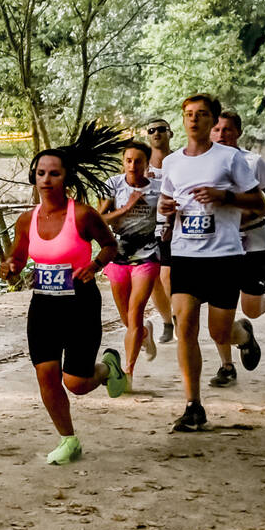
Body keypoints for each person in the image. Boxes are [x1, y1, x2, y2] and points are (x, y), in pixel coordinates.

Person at [0, 135, 128, 464]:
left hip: (80, 303)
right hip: (43, 304)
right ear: (34, 177)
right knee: (46, 373)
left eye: (54, 173)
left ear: (65, 177)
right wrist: (10, 267)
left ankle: (106, 368)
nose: (46, 179)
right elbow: (17, 257)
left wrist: (95, 265)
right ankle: (68, 439)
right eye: (41, 173)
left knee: (76, 383)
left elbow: (110, 246)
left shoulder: (82, 215)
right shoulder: (26, 220)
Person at [158, 94, 265, 431]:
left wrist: (224, 196)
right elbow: (166, 199)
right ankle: (193, 405)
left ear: (212, 120)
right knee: (185, 327)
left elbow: (259, 202)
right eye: (189, 114)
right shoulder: (172, 162)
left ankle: (242, 335)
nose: (194, 119)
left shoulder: (229, 158)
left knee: (218, 332)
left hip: (223, 256)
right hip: (185, 255)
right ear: (183, 120)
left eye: (202, 114)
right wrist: (165, 209)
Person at [210, 112, 265, 386]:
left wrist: (256, 214)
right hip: (217, 248)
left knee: (252, 309)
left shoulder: (253, 162)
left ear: (238, 132)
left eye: (227, 129)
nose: (221, 134)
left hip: (253, 245)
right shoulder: (201, 164)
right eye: (216, 129)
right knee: (219, 314)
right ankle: (227, 365)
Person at [98, 141, 162, 383]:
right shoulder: (113, 184)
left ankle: (128, 372)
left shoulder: (159, 188)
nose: (133, 166)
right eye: (128, 161)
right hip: (118, 254)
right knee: (127, 319)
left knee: (135, 313)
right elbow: (100, 219)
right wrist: (126, 208)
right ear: (123, 162)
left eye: (138, 161)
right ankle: (145, 333)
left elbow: (172, 210)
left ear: (147, 164)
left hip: (148, 254)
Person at [144, 117, 178, 344]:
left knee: (167, 276)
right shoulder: (141, 164)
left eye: (161, 129)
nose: (156, 133)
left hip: (172, 225)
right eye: (151, 130)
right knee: (154, 279)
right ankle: (167, 322)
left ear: (170, 133)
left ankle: (179, 314)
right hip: (146, 228)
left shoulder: (180, 161)